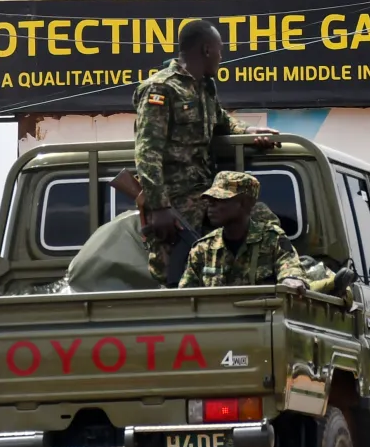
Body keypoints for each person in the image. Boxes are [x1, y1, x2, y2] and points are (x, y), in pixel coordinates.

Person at [118, 19, 277, 285]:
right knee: (176, 274)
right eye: (219, 49)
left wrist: (248, 132)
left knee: (261, 221)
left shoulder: (203, 88)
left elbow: (222, 122)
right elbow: (147, 153)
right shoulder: (162, 89)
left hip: (205, 192)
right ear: (206, 50)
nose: (221, 56)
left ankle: (295, 277)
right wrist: (159, 207)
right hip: (176, 202)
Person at [179, 171, 308, 289]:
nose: (211, 206)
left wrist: (291, 280)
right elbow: (185, 296)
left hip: (260, 313)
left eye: (220, 199)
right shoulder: (203, 249)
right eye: (210, 200)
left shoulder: (272, 240)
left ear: (245, 203)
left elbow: (290, 269)